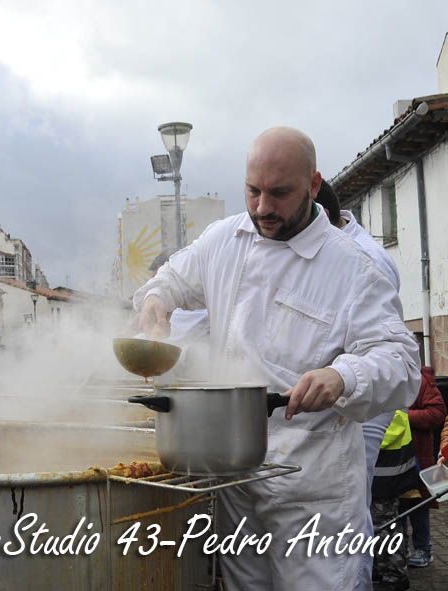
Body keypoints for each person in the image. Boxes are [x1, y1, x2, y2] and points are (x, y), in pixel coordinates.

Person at [135, 127, 421, 590]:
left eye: (280, 193)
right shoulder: (223, 239)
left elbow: (403, 364)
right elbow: (170, 278)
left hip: (313, 491)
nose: (263, 208)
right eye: (253, 191)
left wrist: (343, 375)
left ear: (313, 186)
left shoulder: (354, 267)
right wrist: (155, 301)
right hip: (235, 476)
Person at [315, 179, 402, 589]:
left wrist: (341, 377)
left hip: (363, 401)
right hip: (338, 390)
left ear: (320, 218)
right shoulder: (334, 242)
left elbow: (385, 349)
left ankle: (356, 580)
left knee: (349, 500)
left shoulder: (365, 259)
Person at [370, 410, 419, 591]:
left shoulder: (389, 403)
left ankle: (395, 576)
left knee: (386, 527)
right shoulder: (389, 398)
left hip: (386, 476)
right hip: (384, 475)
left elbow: (383, 433)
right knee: (377, 526)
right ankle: (379, 568)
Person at [403, 366, 446, 568]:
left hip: (415, 455)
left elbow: (437, 414)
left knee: (417, 504)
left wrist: (403, 418)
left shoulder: (420, 379)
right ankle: (398, 551)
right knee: (393, 505)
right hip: (386, 458)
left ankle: (423, 549)